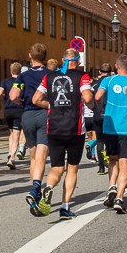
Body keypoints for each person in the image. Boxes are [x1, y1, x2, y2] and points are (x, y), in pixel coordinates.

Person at [32, 49, 93, 218]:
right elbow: (87, 98)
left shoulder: (49, 77)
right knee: (72, 169)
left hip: (54, 128)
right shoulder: (82, 76)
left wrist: (51, 106)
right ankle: (65, 206)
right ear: (78, 60)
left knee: (57, 168)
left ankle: (49, 188)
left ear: (62, 60)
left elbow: (35, 99)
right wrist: (93, 105)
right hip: (74, 129)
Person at [95, 53, 127, 213]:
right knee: (125, 162)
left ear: (115, 66)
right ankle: (119, 198)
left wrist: (103, 107)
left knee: (113, 160)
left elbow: (97, 96)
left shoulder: (107, 80)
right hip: (126, 126)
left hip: (110, 125)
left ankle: (112, 187)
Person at [19, 45, 51, 215]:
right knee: (41, 157)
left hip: (27, 115)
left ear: (30, 56)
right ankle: (35, 189)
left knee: (33, 158)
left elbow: (13, 96)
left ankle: (35, 198)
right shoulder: (50, 74)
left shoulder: (23, 75)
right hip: (44, 114)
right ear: (45, 57)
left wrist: (22, 103)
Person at [0, 63, 24, 170]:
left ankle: (10, 152)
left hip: (8, 110)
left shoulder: (5, 81)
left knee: (12, 133)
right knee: (17, 134)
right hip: (19, 109)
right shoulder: (22, 81)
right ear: (20, 71)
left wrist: (6, 98)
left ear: (11, 70)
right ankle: (12, 157)